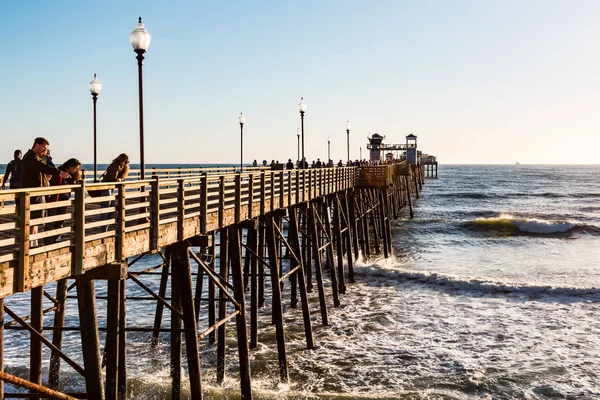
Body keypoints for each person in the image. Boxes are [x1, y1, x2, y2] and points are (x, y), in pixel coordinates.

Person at [21, 137, 71, 247]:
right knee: (32, 220)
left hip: (38, 193)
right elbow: (42, 167)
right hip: (33, 194)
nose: (44, 150)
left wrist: (46, 177)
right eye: (43, 147)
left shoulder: (36, 158)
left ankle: (34, 243)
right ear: (36, 145)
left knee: (37, 220)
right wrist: (59, 173)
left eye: (46, 148)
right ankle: (30, 245)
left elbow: (41, 169)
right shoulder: (30, 157)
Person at [45, 158, 81, 244]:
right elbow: (51, 183)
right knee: (51, 220)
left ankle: (57, 238)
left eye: (77, 168)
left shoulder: (74, 175)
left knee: (60, 220)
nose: (76, 170)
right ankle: (48, 240)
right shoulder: (59, 172)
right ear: (70, 166)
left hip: (64, 200)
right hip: (55, 199)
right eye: (75, 168)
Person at [99, 153, 130, 228]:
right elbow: (113, 179)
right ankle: (104, 229)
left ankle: (105, 227)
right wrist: (120, 179)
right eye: (126, 162)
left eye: (127, 162)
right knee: (106, 207)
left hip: (109, 188)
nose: (126, 164)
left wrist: (121, 179)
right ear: (122, 160)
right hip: (106, 187)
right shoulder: (115, 165)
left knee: (112, 208)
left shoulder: (120, 166)